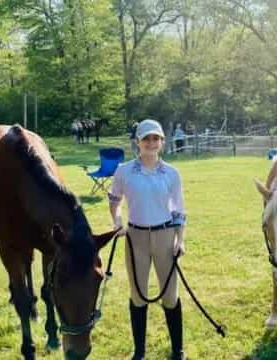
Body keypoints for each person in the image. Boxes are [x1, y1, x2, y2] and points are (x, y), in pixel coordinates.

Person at [108, 119, 187, 360]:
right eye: (146, 139)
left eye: (156, 138)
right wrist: (118, 222)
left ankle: (177, 350)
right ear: (137, 143)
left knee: (170, 295)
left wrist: (179, 240)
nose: (151, 143)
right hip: (136, 237)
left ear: (162, 142)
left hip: (165, 236)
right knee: (138, 294)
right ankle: (139, 351)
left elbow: (178, 210)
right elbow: (114, 200)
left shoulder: (172, 174)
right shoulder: (124, 171)